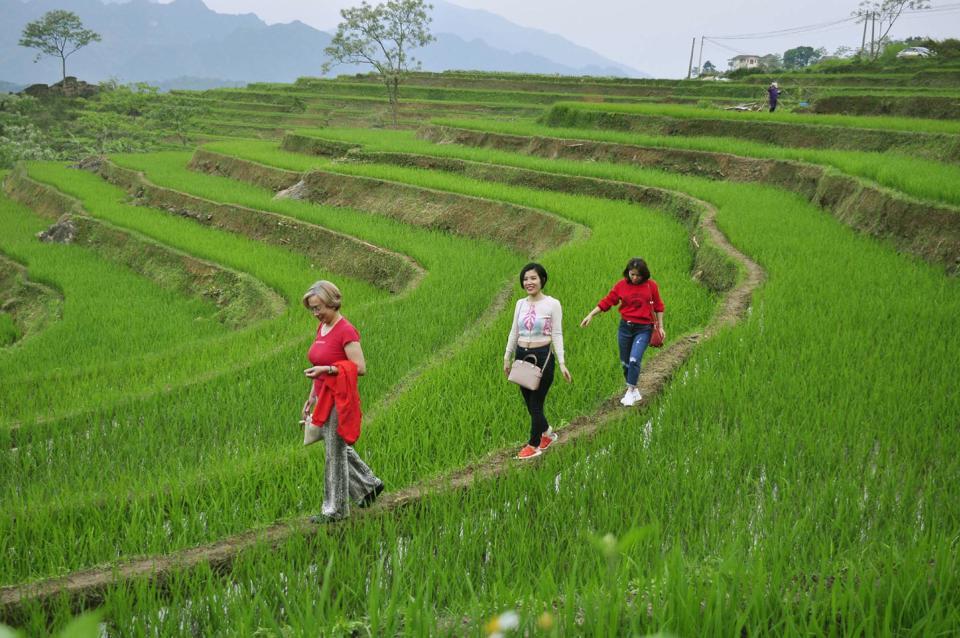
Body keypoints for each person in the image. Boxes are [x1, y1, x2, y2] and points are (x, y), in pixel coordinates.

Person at [301, 280, 383, 522]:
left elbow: (359, 367)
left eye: (319, 308)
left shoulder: (345, 330)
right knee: (335, 446)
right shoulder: (322, 329)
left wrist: (328, 369)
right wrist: (311, 398)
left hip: (340, 398)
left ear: (332, 302)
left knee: (333, 452)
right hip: (324, 396)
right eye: (312, 309)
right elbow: (318, 366)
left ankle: (335, 510)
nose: (316, 314)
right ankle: (369, 485)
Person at [503, 263, 572, 460]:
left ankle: (534, 445)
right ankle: (547, 434)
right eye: (525, 279)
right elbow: (514, 331)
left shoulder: (552, 304)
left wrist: (562, 363)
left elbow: (557, 334)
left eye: (533, 278)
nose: (529, 282)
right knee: (529, 403)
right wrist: (507, 356)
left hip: (543, 356)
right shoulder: (520, 303)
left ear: (542, 279)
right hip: (521, 356)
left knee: (535, 404)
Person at [579, 257, 665, 407]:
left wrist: (661, 327)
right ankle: (634, 389)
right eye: (632, 274)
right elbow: (607, 301)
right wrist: (591, 314)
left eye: (638, 275)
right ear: (628, 273)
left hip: (644, 329)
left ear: (644, 274)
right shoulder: (621, 285)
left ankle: (630, 390)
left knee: (634, 359)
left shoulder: (651, 286)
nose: (635, 278)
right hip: (625, 328)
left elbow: (658, 306)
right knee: (625, 362)